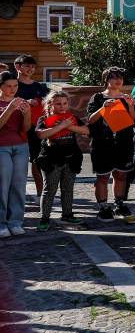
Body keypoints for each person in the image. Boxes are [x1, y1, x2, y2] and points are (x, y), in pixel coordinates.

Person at [86, 67, 135, 223]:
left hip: (123, 143)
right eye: (114, 77)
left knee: (121, 174)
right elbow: (90, 120)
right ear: (106, 80)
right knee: (102, 177)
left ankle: (119, 204)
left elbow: (131, 121)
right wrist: (104, 108)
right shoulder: (97, 97)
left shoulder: (125, 97)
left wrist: (130, 105)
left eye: (120, 77)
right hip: (102, 144)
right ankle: (103, 207)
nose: (118, 80)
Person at [34, 91, 88, 230]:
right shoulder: (44, 118)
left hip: (70, 159)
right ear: (50, 104)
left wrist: (69, 126)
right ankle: (44, 218)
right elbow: (40, 134)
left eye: (65, 103)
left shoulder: (72, 118)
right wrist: (60, 126)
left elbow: (86, 130)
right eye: (58, 103)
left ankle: (67, 215)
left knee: (68, 189)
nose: (62, 106)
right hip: (51, 160)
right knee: (49, 190)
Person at [13, 55, 50, 200]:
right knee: (16, 165)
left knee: (37, 161)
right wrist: (24, 102)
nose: (31, 69)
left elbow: (49, 106)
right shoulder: (11, 85)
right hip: (14, 129)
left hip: (35, 129)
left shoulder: (39, 87)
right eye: (27, 66)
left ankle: (41, 194)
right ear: (18, 67)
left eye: (33, 66)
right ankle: (15, 195)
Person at [0, 71, 30, 237]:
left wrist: (27, 114)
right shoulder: (7, 103)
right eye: (8, 86)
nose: (12, 89)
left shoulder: (21, 102)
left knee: (18, 185)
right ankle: (1, 224)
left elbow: (25, 128)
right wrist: (10, 109)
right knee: (2, 185)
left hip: (20, 146)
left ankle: (16, 222)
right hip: (1, 147)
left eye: (15, 85)